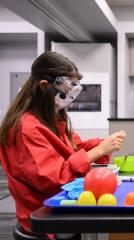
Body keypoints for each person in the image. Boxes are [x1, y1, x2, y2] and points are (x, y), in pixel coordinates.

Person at [0, 51, 126, 238]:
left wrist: (103, 143)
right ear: (44, 86)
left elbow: (73, 147)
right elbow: (54, 178)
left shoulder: (51, 117)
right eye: (66, 91)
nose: (69, 98)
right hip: (43, 212)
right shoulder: (26, 128)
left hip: (58, 203)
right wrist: (99, 150)